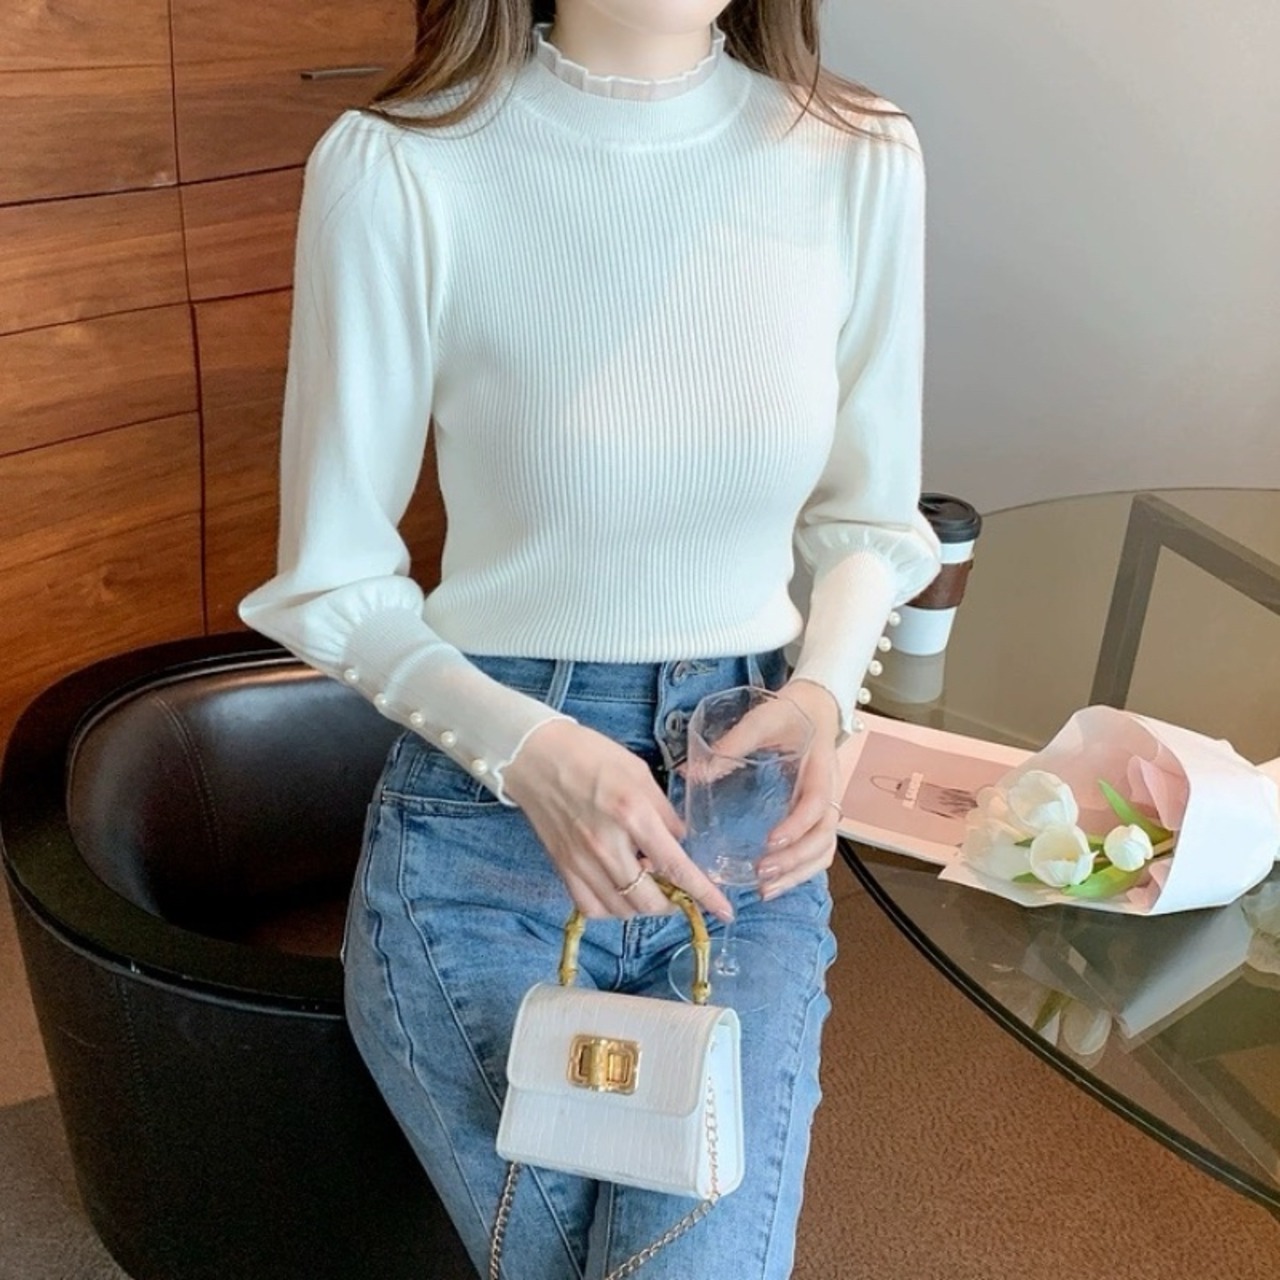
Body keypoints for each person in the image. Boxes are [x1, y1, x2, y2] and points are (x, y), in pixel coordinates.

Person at [239, 1, 942, 1275]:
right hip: (485, 819)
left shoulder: (857, 150)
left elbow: (868, 517)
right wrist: (532, 754)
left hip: (743, 827)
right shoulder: (400, 162)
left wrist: (826, 696)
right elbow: (332, 581)